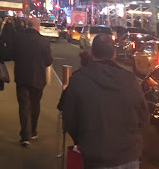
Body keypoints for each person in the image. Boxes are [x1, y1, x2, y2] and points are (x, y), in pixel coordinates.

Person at [62, 34, 149, 169]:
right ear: (114, 54)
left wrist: (83, 140)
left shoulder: (78, 80)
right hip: (128, 155)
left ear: (91, 53)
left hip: (96, 156)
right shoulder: (130, 80)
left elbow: (70, 119)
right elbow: (143, 117)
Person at [13, 16, 53, 146]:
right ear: (38, 26)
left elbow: (12, 54)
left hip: (22, 77)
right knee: (35, 104)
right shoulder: (44, 41)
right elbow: (48, 61)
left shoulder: (19, 39)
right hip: (38, 78)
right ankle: (33, 130)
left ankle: (24, 135)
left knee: (24, 106)